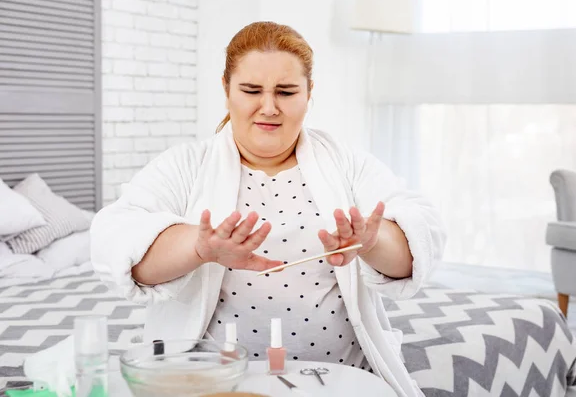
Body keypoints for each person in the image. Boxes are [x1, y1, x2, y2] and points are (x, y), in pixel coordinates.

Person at [90, 21, 445, 396]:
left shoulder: (347, 163)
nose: (269, 107)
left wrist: (372, 243)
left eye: (287, 91)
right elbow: (117, 243)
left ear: (309, 94)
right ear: (226, 90)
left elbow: (420, 237)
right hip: (214, 381)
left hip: (340, 377)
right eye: (251, 90)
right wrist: (199, 248)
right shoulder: (184, 166)